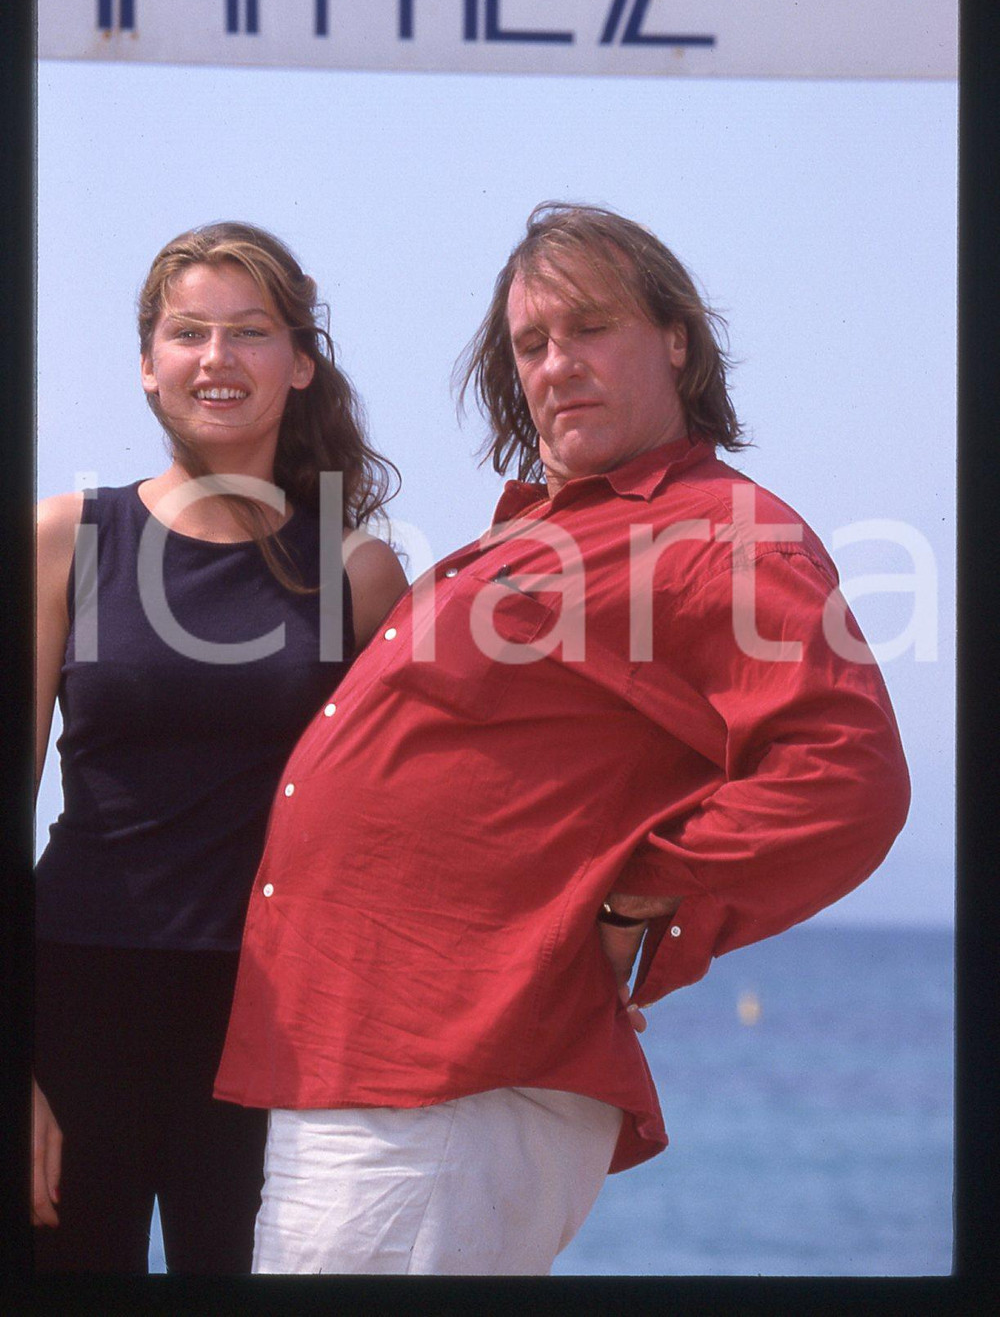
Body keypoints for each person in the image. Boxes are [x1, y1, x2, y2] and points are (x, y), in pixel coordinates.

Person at [214, 202, 911, 1276]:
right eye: (532, 342)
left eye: (589, 327)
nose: (556, 364)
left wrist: (644, 897)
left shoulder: (719, 532)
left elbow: (847, 778)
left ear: (674, 339)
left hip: (453, 1063)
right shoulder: (552, 527)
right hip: (377, 1056)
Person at [32, 222, 408, 1273]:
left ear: (300, 362)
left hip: (275, 1026)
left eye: (250, 331)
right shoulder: (65, 539)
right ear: (147, 364)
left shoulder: (358, 572)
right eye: (188, 331)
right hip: (72, 1006)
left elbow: (403, 829)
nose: (217, 357)